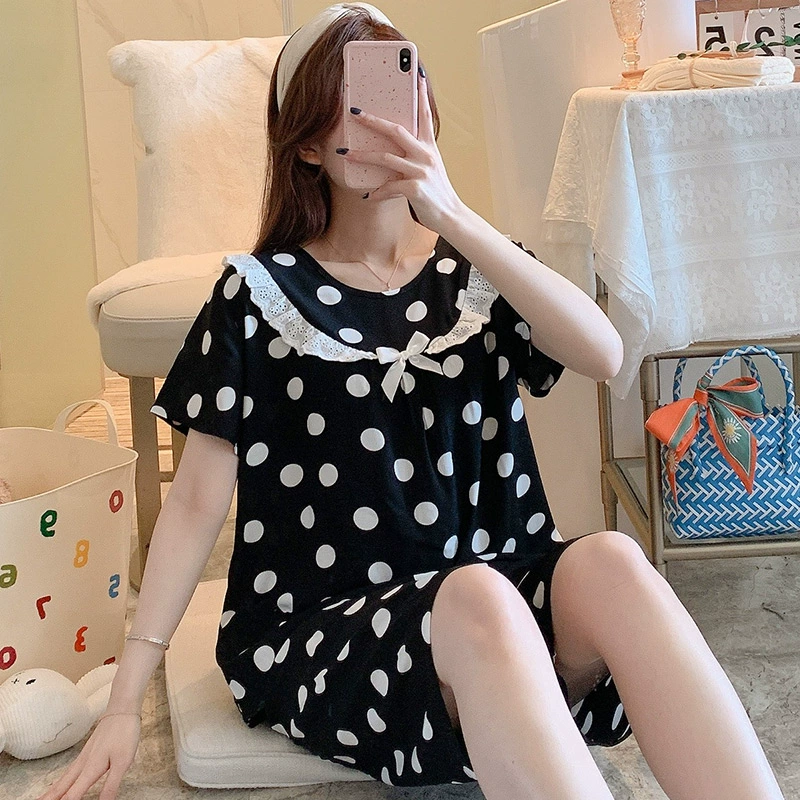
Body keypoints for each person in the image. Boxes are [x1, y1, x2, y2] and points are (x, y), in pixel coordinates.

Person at [38, 4, 786, 800]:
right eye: (348, 104)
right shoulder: (257, 296)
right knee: (477, 597)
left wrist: (453, 214)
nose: (378, 123)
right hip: (331, 625)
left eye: (395, 93)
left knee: (610, 561)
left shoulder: (476, 272)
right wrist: (126, 702)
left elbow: (603, 354)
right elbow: (193, 504)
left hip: (500, 609)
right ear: (307, 143)